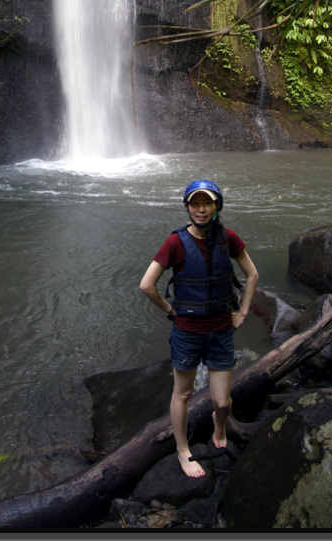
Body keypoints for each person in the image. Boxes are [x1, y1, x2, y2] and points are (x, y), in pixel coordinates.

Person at [140, 179, 259, 478]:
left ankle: (221, 422)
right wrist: (169, 309)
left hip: (221, 330)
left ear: (217, 206)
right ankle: (183, 450)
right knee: (182, 393)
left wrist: (242, 312)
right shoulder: (175, 243)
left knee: (222, 401)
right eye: (195, 203)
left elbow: (252, 274)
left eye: (207, 203)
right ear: (187, 207)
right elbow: (146, 284)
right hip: (187, 332)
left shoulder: (228, 238)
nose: (201, 209)